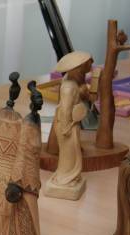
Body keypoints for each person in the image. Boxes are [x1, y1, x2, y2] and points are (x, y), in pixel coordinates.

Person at [44, 51, 93, 201]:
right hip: (67, 124)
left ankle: (70, 177)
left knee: (73, 152)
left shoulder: (70, 81)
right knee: (68, 153)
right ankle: (64, 179)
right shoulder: (69, 87)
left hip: (71, 123)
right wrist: (66, 127)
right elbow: (65, 108)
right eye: (84, 68)